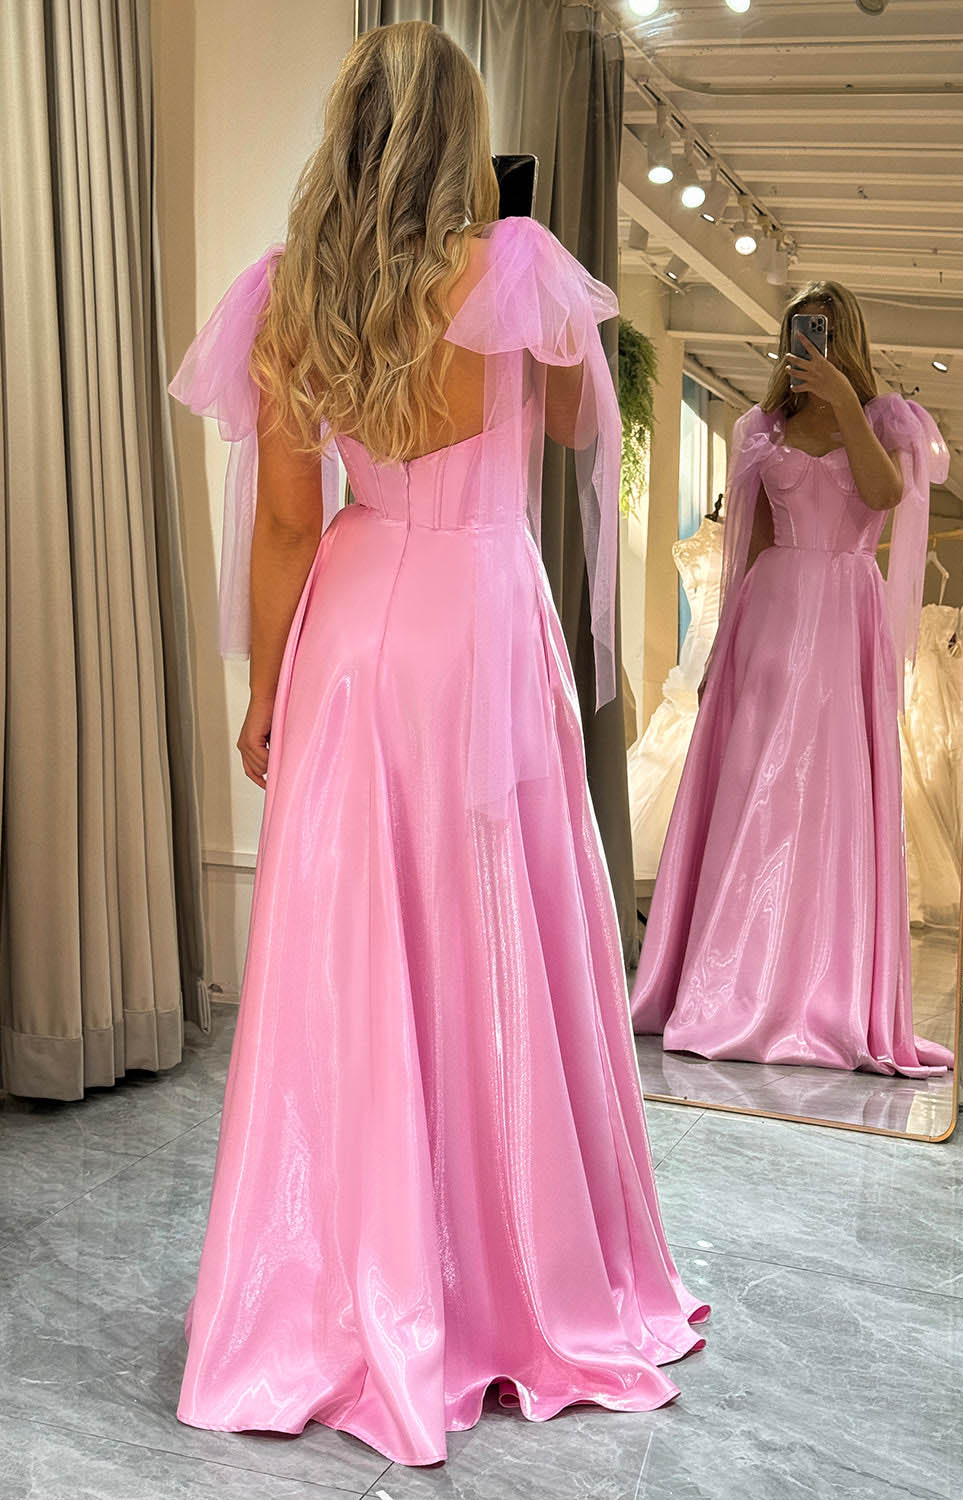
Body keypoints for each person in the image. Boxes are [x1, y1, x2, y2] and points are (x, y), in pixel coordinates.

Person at [167, 20, 707, 1470]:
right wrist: (535, 312)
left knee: (351, 952)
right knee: (499, 930)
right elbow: (585, 429)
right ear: (462, 139)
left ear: (345, 134)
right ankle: (509, 1269)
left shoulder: (292, 293)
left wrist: (266, 692)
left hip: (354, 635)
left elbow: (289, 527)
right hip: (480, 625)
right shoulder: (516, 271)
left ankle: (338, 1279)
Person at [630, 280, 955, 1078]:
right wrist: (716, 649)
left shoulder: (888, 423)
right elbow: (748, 547)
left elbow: (885, 497)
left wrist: (845, 402)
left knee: (827, 796)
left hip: (843, 619)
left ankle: (812, 991)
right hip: (770, 618)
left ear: (847, 339)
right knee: (752, 790)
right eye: (802, 331)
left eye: (825, 332)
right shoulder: (761, 428)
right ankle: (729, 978)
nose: (809, 343)